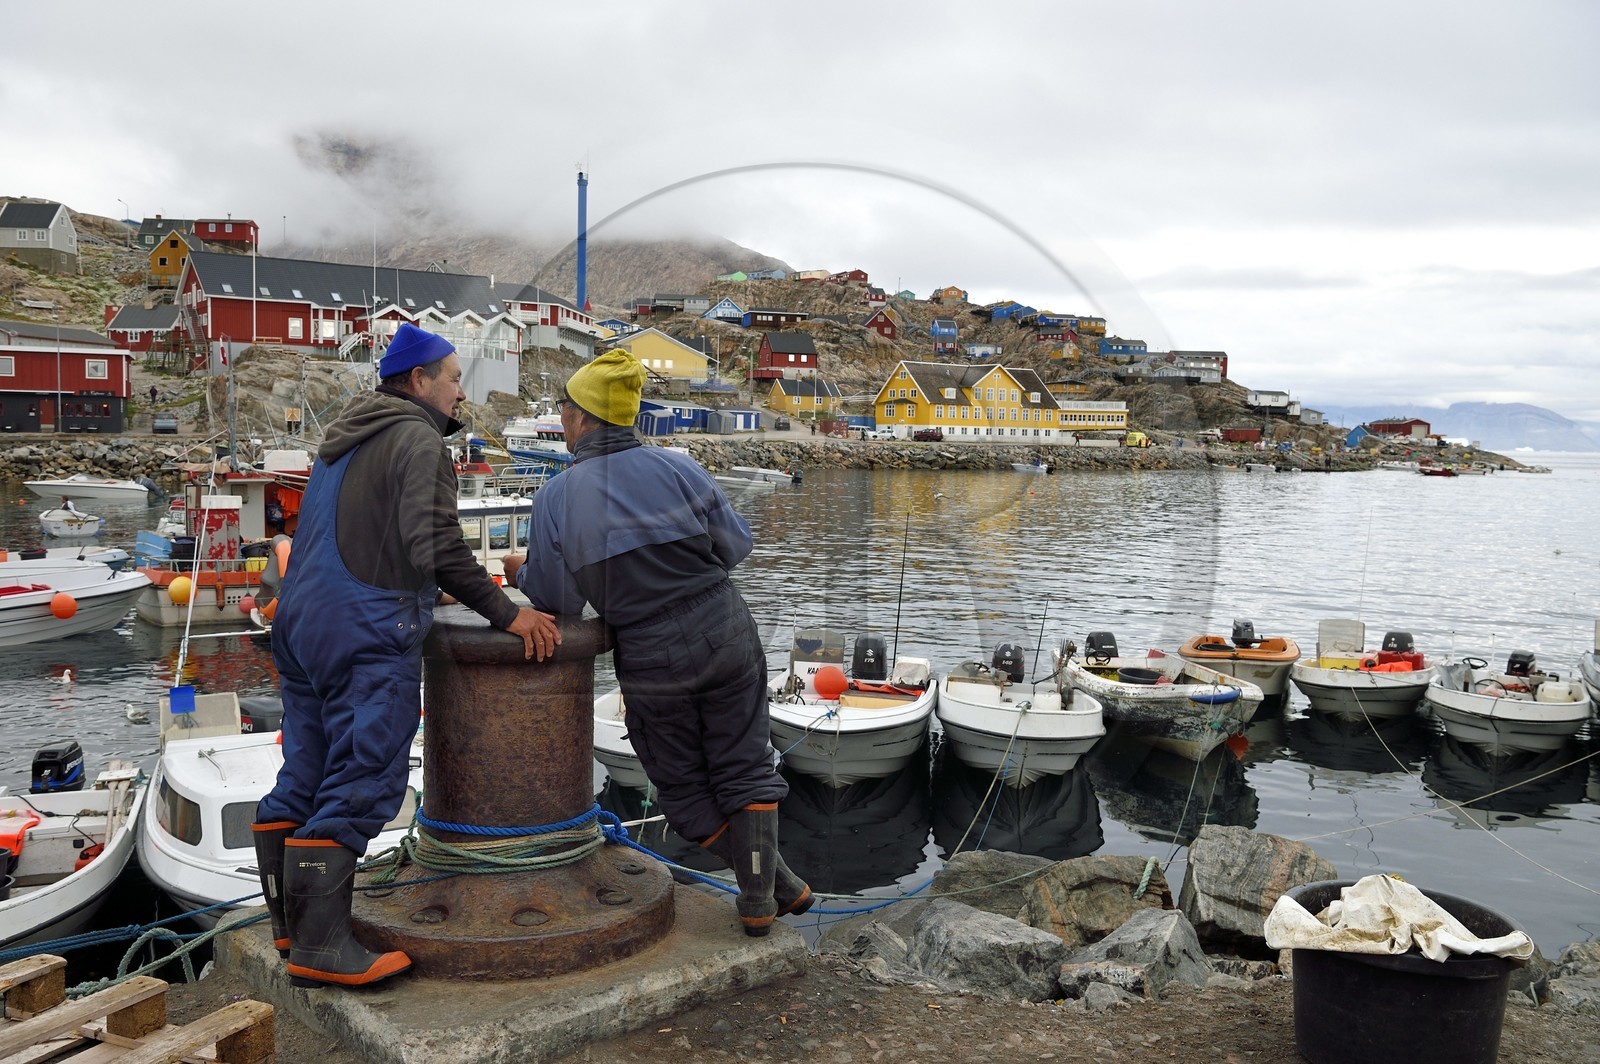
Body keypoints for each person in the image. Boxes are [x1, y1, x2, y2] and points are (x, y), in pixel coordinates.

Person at [254, 322, 561, 989]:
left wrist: (425, 583)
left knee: (305, 772)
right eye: (454, 379)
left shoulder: (342, 439)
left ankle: (290, 927)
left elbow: (366, 535)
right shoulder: (419, 438)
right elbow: (437, 543)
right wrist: (509, 612)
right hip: (365, 631)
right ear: (419, 381)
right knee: (363, 775)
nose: (461, 394)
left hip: (301, 625)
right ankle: (321, 948)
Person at [500, 350, 809, 937]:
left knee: (684, 788)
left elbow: (560, 599)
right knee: (745, 765)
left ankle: (770, 889)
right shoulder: (681, 468)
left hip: (650, 648)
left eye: (564, 409)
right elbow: (735, 547)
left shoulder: (557, 496)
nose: (561, 419)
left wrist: (522, 571)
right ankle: (764, 896)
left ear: (582, 417)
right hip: (725, 626)